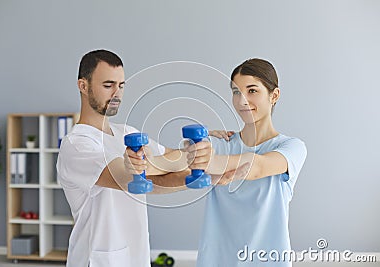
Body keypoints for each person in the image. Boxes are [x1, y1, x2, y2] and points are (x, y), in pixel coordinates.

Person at [56, 49, 244, 267]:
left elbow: (155, 180)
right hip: (97, 260)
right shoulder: (77, 145)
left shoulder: (125, 132)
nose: (117, 93)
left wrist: (201, 166)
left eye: (121, 85)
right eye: (108, 85)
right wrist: (189, 155)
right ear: (83, 86)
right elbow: (126, 176)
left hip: (136, 256)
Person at [193, 58, 308, 266]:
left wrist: (199, 159)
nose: (242, 100)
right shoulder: (221, 143)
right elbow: (176, 160)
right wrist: (192, 147)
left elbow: (257, 167)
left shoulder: (292, 148)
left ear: (274, 95)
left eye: (252, 91)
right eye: (236, 92)